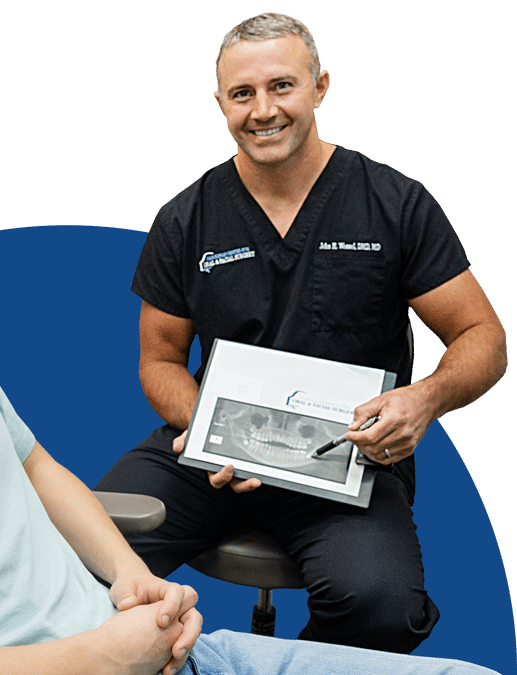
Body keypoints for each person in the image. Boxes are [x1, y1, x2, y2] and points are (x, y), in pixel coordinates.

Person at [0, 70, 500, 675]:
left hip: (153, 636)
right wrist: (104, 652)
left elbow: (35, 465)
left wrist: (130, 582)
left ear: (319, 89)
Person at [95, 12, 507, 655]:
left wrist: (422, 400)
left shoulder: (394, 203)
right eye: (242, 94)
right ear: (221, 104)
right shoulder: (185, 218)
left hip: (347, 463)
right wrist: (208, 430)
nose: (263, 110)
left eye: (281, 86)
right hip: (216, 453)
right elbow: (160, 360)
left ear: (319, 87)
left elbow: (483, 335)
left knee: (382, 607)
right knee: (78, 556)